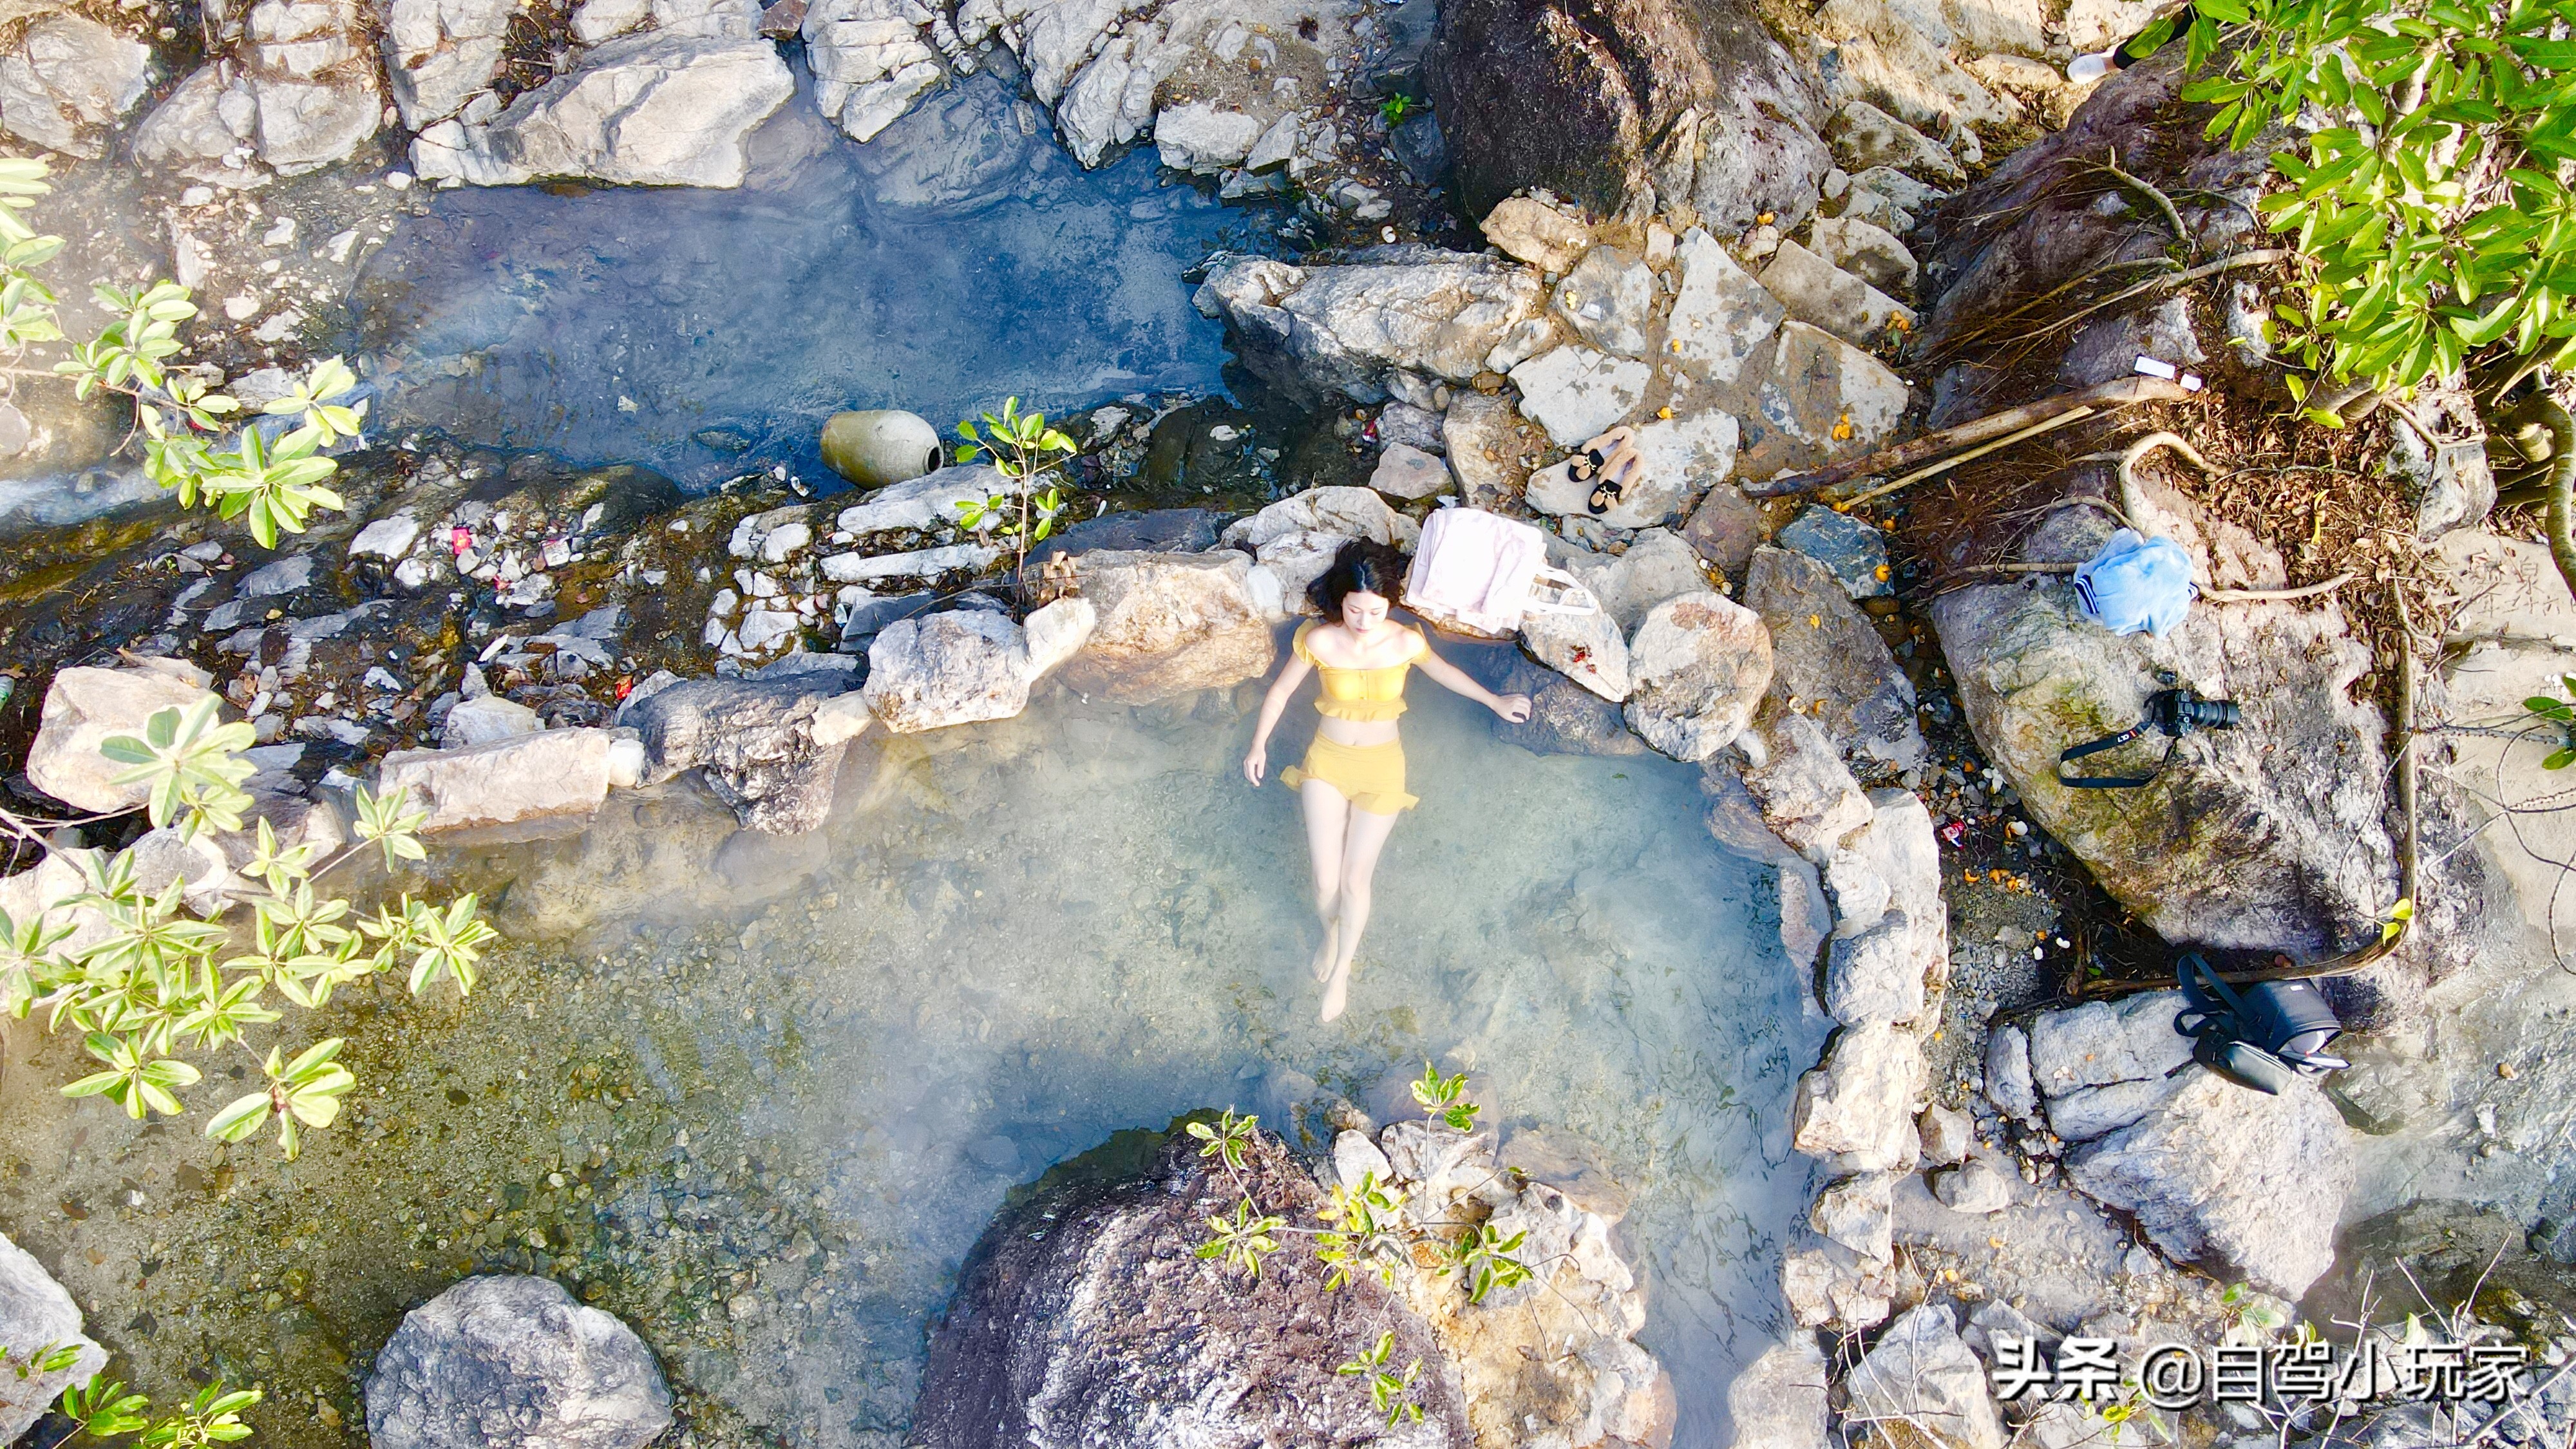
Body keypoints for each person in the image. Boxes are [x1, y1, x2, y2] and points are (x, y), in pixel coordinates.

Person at [1242, 540, 1533, 1023]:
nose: (1364, 620)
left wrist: (1494, 701)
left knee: (1356, 882)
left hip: (1382, 766)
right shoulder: (1319, 640)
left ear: (1389, 605)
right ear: (1342, 600)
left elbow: (1446, 674)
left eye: (1376, 611)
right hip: (1328, 761)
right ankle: (1329, 933)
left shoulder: (1405, 641)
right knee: (1324, 882)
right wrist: (1259, 744)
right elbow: (1280, 692)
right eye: (1355, 609)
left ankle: (1342, 971)